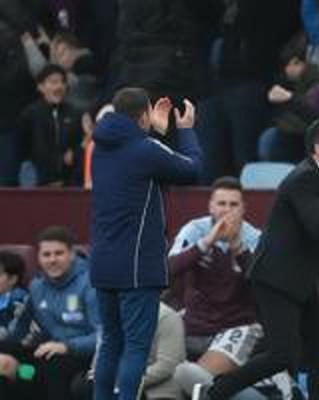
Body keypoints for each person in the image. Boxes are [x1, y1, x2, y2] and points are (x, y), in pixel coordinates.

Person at [195, 118, 319, 400]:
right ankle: (214, 392)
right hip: (276, 280)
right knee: (283, 355)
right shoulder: (303, 178)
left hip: (299, 282)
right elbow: (318, 228)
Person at [89, 87, 202, 400]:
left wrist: (153, 134)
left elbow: (147, 167)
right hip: (137, 264)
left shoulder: (101, 147)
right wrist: (185, 130)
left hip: (103, 260)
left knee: (110, 341)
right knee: (137, 346)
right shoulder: (146, 149)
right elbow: (191, 170)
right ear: (143, 116)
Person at [168, 177, 277, 399]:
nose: (227, 210)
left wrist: (237, 246)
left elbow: (265, 287)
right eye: (221, 203)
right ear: (210, 206)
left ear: (243, 208)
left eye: (233, 204)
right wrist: (206, 242)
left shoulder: (255, 237)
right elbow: (169, 269)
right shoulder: (195, 230)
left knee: (193, 380)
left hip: (238, 325)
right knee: (153, 363)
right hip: (194, 319)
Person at [0, 226, 99, 400]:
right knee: (5, 360)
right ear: (38, 258)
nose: (52, 260)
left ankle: (29, 378)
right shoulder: (37, 287)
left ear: (72, 254)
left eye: (59, 253)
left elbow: (104, 336)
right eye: (46, 254)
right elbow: (17, 331)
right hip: (48, 350)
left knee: (54, 365)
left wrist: (67, 347)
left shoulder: (91, 285)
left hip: (83, 355)